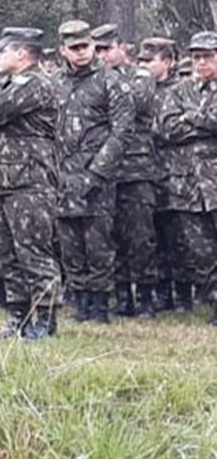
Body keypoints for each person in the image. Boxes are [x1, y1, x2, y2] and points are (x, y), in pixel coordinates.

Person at [0, 28, 62, 340]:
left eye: (3, 51)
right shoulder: (6, 84)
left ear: (22, 53)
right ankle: (18, 318)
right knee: (5, 255)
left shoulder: (37, 84)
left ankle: (46, 321)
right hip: (0, 182)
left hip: (30, 182)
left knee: (34, 253)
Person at [53, 20, 133, 323]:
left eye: (85, 46)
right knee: (70, 244)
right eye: (74, 48)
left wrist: (97, 173)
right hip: (63, 176)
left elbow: (122, 132)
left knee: (98, 243)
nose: (82, 53)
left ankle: (100, 306)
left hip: (97, 176)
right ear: (63, 50)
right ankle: (81, 302)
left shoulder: (111, 81)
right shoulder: (55, 82)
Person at [93, 23, 160, 317]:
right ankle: (122, 295)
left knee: (140, 235)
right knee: (111, 235)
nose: (102, 55)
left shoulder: (141, 76)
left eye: (106, 49)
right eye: (97, 50)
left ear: (122, 47)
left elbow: (130, 106)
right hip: (105, 169)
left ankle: (146, 295)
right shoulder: (95, 80)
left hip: (136, 168)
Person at [155, 32, 217, 323]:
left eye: (208, 56)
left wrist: (189, 117)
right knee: (199, 249)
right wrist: (201, 120)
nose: (201, 62)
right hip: (189, 186)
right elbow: (165, 129)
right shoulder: (179, 90)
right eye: (197, 57)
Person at [144, 38, 187, 312]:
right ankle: (162, 291)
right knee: (155, 234)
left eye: (151, 60)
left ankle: (184, 293)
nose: (145, 66)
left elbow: (171, 129)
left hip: (178, 172)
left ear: (168, 63)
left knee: (179, 235)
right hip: (149, 170)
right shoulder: (143, 90)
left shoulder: (181, 90)